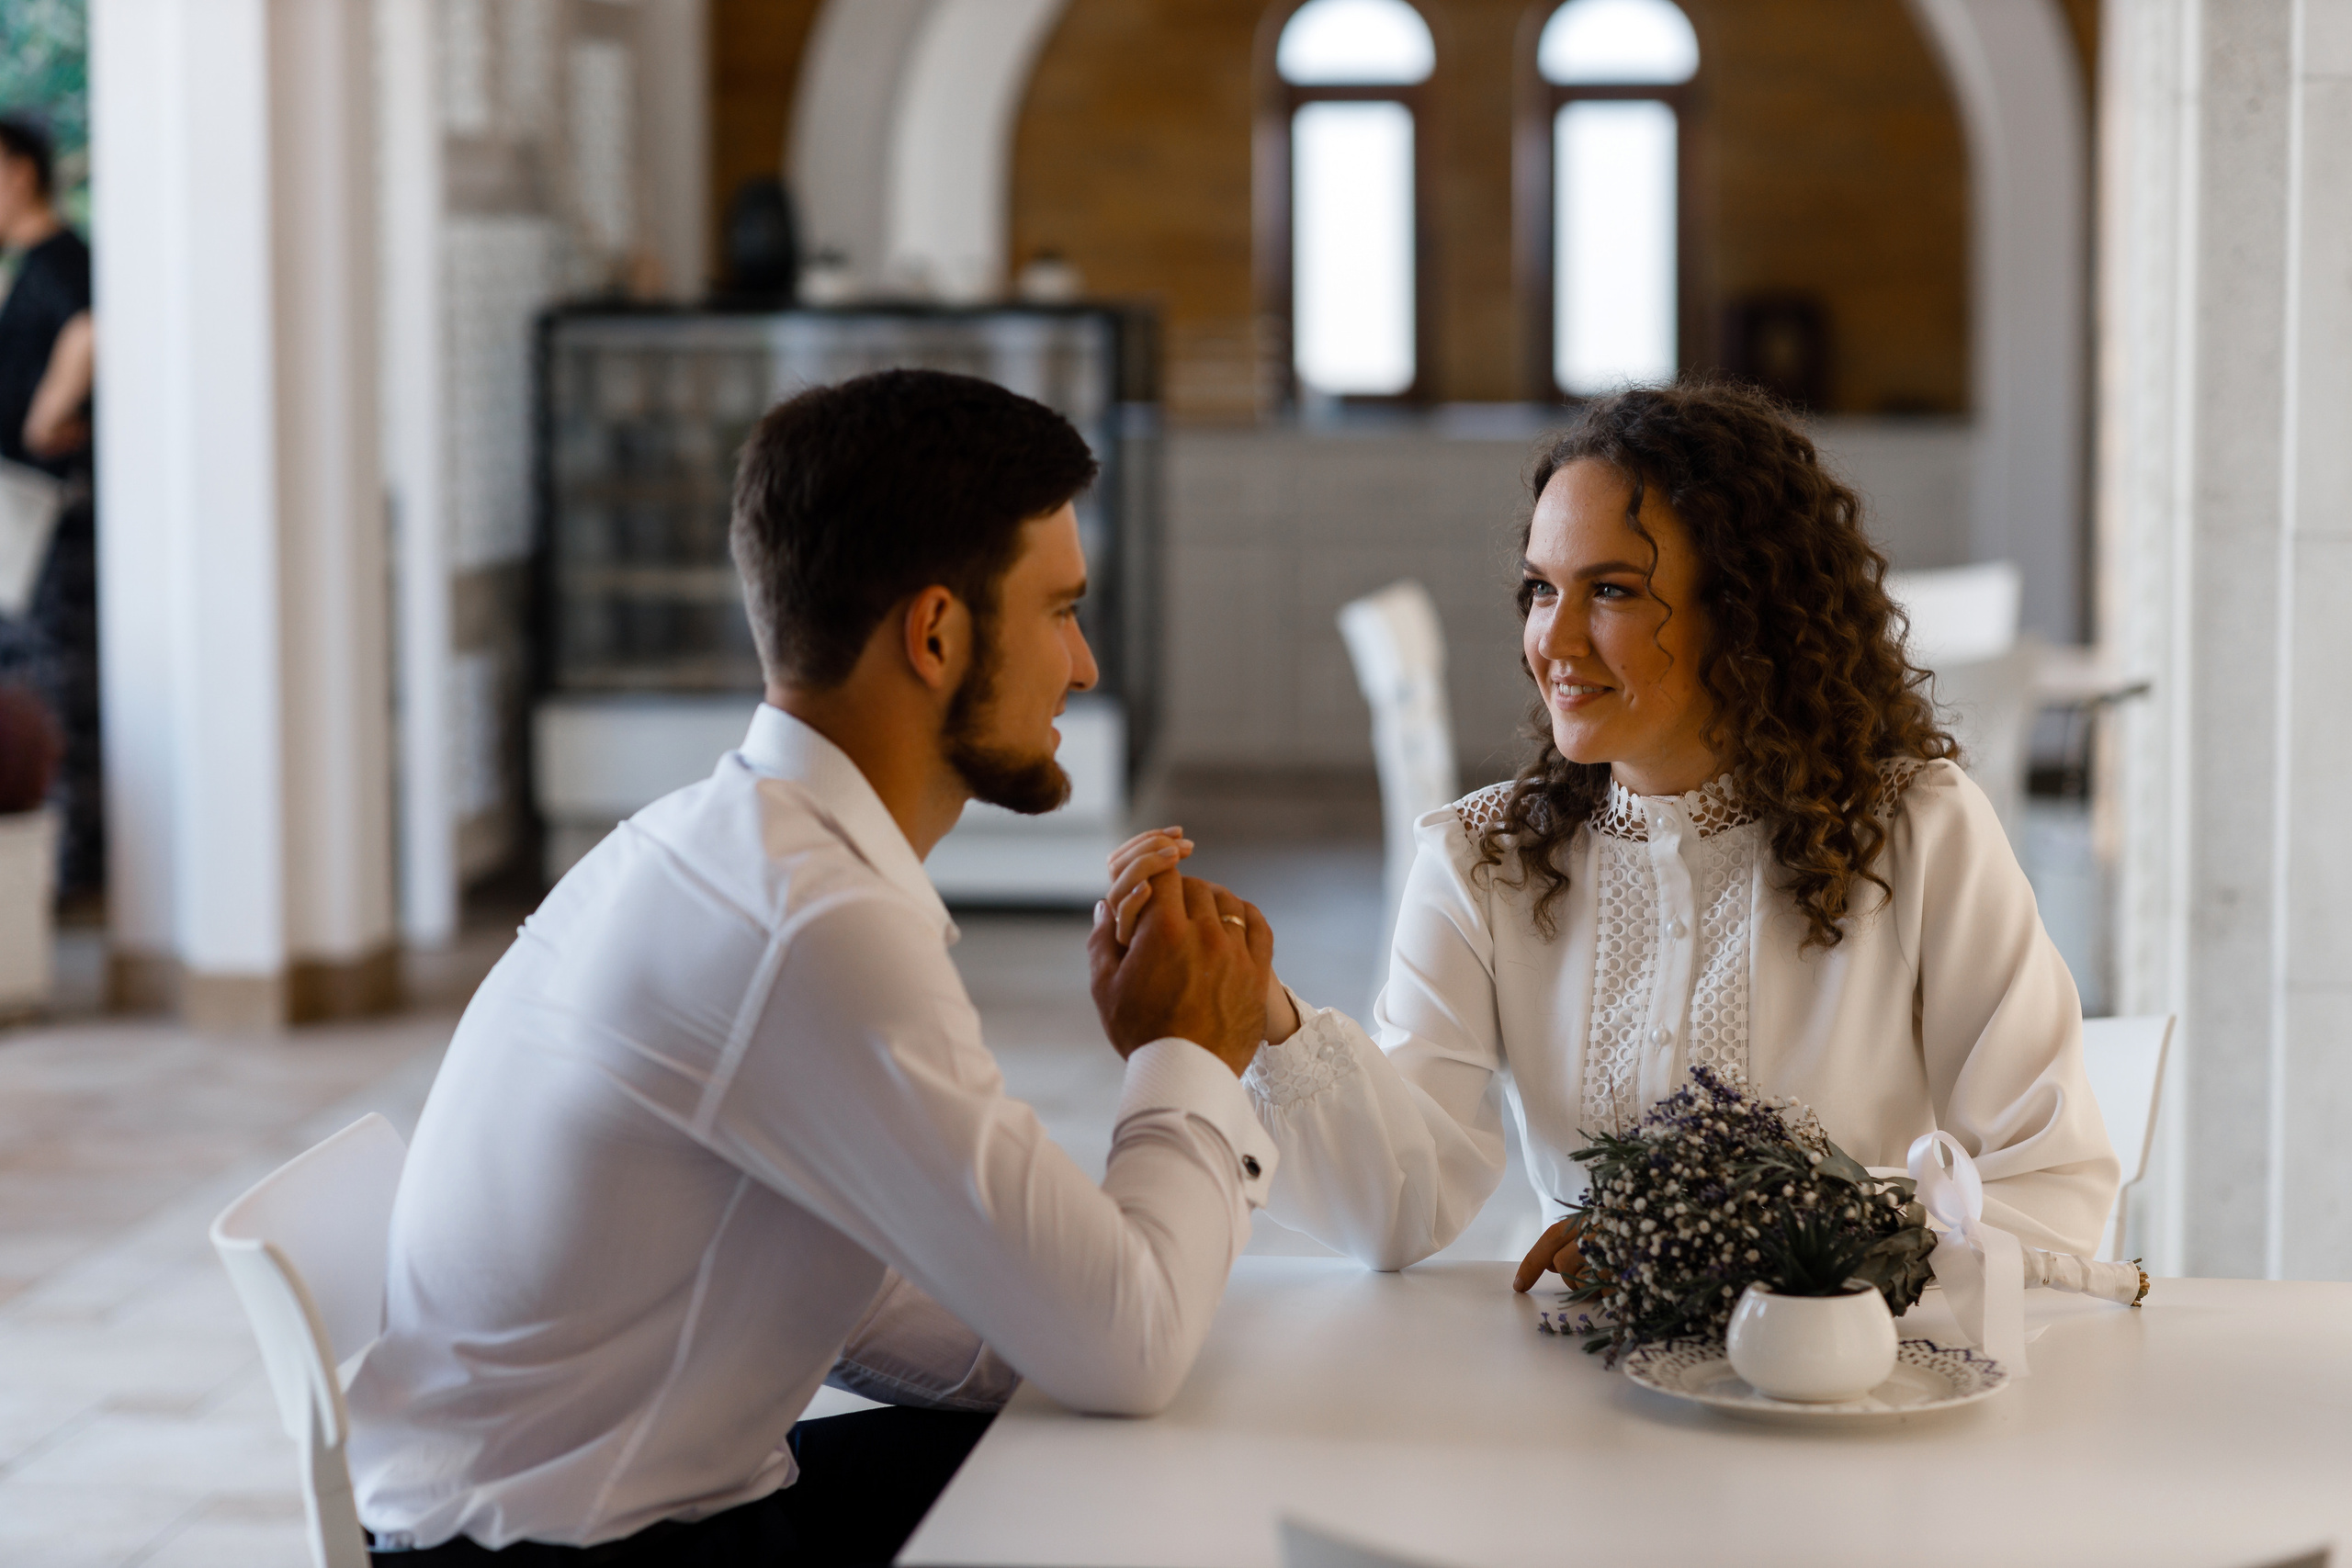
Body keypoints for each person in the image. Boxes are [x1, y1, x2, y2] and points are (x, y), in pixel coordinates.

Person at [349, 369, 1282, 1565]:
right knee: (1148, 1502)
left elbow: (877, 1292)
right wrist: (1189, 1052)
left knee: (1110, 1456)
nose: (1085, 664)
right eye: (1060, 611)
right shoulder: (810, 921)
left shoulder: (719, 839)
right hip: (568, 1545)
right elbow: (1134, 1347)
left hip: (572, 1503)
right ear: (937, 633)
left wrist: (1073, 1302)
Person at [1102, 379, 2118, 1290]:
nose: (1554, 639)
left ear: (1748, 612)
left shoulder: (1917, 833)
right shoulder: (1484, 858)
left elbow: (2055, 1193)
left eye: (1614, 591)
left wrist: (1748, 1245)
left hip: (1846, 1401)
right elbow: (1397, 1209)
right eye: (1543, 588)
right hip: (1574, 1398)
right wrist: (1264, 1015)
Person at [0, 115, 97, 896]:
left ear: (18, 170)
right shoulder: (29, 265)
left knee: (48, 684)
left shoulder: (62, 261)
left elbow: (91, 330)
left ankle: (64, 874)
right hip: (28, 509)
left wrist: (44, 416)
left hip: (48, 512)